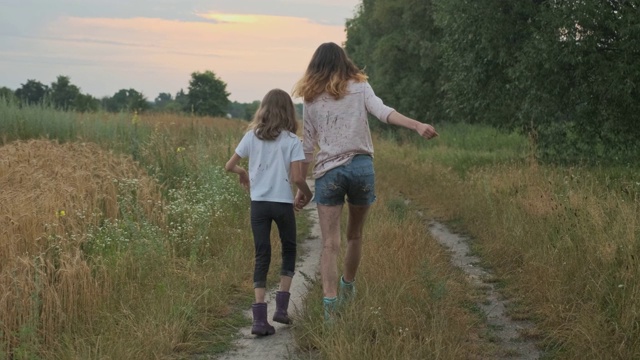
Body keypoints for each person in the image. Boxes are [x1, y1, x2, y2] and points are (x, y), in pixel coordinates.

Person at [292, 42, 438, 320]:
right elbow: (384, 112)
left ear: (316, 65)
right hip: (361, 169)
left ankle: (330, 308)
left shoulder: (310, 97)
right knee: (354, 235)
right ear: (344, 62)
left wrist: (301, 184)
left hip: (329, 173)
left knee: (329, 244)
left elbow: (308, 145)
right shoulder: (360, 87)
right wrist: (417, 124)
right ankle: (348, 287)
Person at [225, 88, 313, 336]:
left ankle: (259, 319)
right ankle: (281, 309)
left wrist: (243, 173)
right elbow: (297, 177)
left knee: (262, 254)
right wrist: (307, 194)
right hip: (282, 203)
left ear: (263, 109)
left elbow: (229, 166)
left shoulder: (251, 137)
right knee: (289, 249)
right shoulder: (292, 141)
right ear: (288, 112)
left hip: (259, 204)